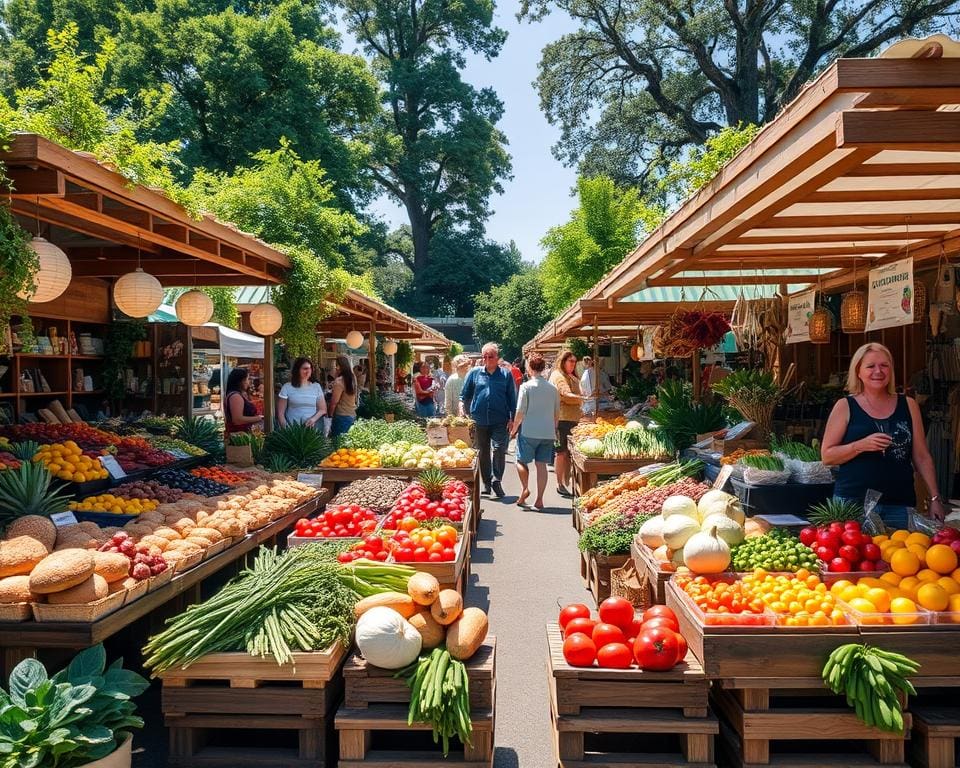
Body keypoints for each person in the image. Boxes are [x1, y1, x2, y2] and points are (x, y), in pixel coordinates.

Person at [822, 342, 946, 527]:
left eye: (884, 365)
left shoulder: (909, 405)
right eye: (870, 366)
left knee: (902, 555)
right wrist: (859, 445)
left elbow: (921, 456)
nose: (878, 371)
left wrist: (935, 498)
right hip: (852, 503)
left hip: (899, 503)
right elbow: (827, 456)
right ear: (858, 372)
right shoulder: (845, 406)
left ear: (891, 370)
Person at [460, 342, 517, 498]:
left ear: (497, 357)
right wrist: (462, 407)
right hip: (479, 419)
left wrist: (513, 418)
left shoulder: (506, 375)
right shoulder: (474, 373)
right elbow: (464, 395)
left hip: (500, 419)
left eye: (490, 356)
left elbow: (513, 398)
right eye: (484, 356)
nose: (487, 359)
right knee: (483, 452)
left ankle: (497, 479)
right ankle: (486, 482)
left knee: (499, 449)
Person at [511, 353, 559, 509]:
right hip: (547, 432)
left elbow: (520, 411)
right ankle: (539, 500)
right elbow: (556, 413)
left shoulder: (526, 387)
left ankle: (525, 488)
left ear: (529, 368)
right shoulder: (553, 389)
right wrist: (554, 429)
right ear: (543, 368)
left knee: (520, 460)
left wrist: (514, 428)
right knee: (541, 466)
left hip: (529, 431)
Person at [549, 350, 585, 497]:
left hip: (574, 419)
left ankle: (567, 481)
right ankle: (559, 483)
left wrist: (581, 398)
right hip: (562, 419)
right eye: (570, 361)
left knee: (570, 453)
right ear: (563, 361)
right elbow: (564, 394)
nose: (573, 364)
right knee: (561, 452)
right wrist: (581, 398)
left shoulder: (571, 376)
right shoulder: (558, 376)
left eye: (575, 362)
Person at [277, 357, 326, 429]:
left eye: (310, 368)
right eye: (305, 369)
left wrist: (313, 419)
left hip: (311, 430)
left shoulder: (316, 387)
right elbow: (280, 413)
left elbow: (323, 409)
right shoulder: (287, 387)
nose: (308, 371)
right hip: (292, 429)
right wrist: (286, 428)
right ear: (297, 370)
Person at [224, 367, 262, 436]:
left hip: (243, 434)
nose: (248, 382)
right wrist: (259, 418)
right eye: (247, 379)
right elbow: (237, 420)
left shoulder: (237, 394)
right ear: (241, 381)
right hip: (240, 436)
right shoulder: (235, 396)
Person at [329, 356, 358, 438]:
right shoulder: (352, 378)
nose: (334, 368)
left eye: (334, 366)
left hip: (341, 416)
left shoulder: (339, 381)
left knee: (338, 445)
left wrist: (330, 416)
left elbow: (334, 403)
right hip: (351, 414)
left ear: (339, 367)